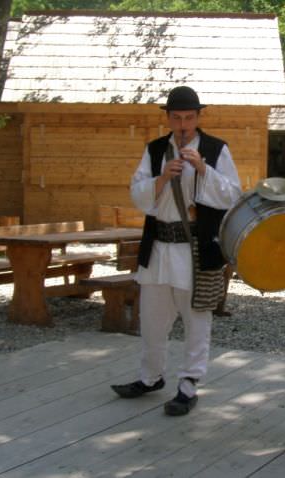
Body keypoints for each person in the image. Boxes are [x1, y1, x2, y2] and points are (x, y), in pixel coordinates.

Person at [111, 86, 242, 416]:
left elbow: (231, 196)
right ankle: (150, 377)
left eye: (189, 118)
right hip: (158, 248)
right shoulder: (155, 150)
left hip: (196, 250)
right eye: (177, 118)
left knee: (197, 319)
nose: (183, 125)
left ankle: (188, 385)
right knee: (153, 319)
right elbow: (137, 194)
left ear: (198, 118)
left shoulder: (215, 149)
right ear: (168, 118)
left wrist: (203, 170)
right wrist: (160, 180)